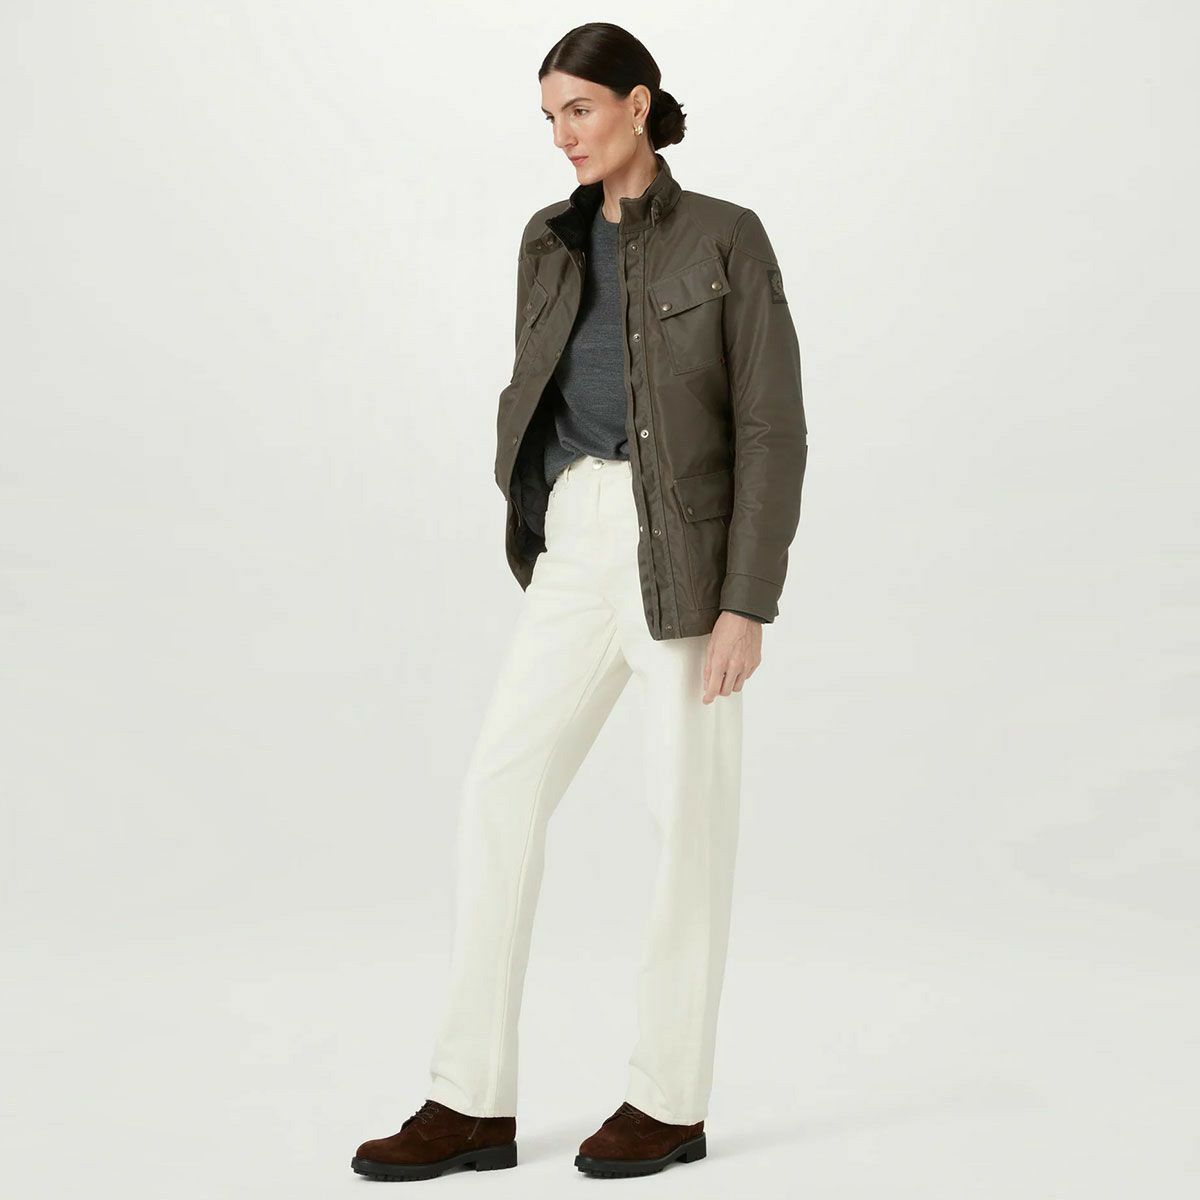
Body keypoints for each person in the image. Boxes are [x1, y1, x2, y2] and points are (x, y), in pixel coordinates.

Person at [351, 20, 806, 1183]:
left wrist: (747, 600)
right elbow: (539, 382)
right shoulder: (547, 241)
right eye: (551, 116)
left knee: (683, 824)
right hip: (576, 538)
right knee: (498, 791)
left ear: (638, 105)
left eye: (581, 110)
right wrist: (545, 505)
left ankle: (668, 1101)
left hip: (685, 557)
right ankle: (471, 1102)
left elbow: (771, 426)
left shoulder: (726, 237)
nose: (563, 134)